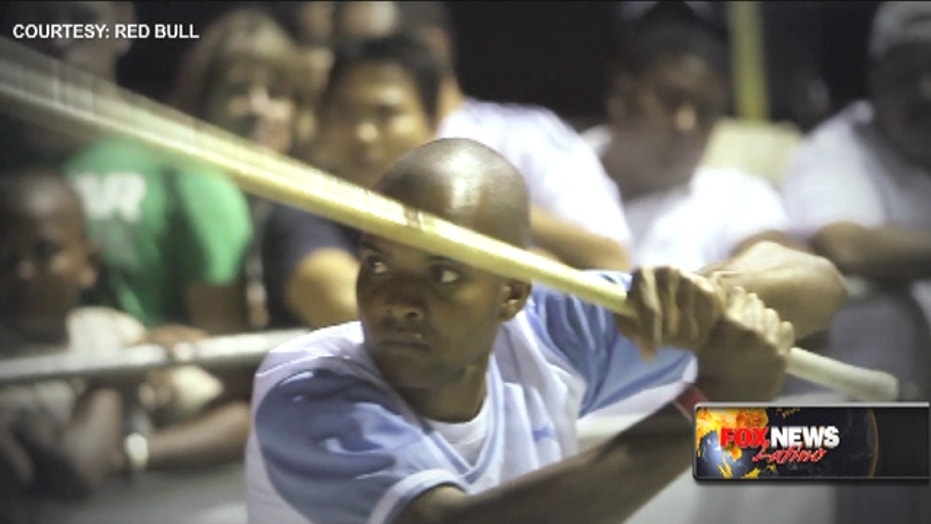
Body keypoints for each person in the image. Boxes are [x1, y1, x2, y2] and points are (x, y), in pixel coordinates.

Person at [245, 137, 848, 524]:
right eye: (376, 263)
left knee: (870, 447)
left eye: (443, 273)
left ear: (512, 292)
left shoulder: (551, 331)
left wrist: (713, 293)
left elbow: (820, 287)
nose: (397, 301)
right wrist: (708, 413)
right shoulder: (306, 388)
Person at [0, 164, 251, 524]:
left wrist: (128, 455)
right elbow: (77, 469)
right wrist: (119, 374)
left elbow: (239, 425)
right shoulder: (9, 364)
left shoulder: (110, 329)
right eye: (5, 258)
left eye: (44, 252)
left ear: (89, 262)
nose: (23, 273)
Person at [5, 1, 255, 339]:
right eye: (38, 19)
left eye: (82, 20)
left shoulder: (183, 166)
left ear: (123, 24)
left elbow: (227, 348)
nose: (59, 37)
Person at [338, 1, 633, 272]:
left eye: (384, 48)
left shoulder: (525, 138)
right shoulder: (333, 153)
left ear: (432, 46)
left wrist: (486, 209)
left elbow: (611, 260)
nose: (360, 63)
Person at [780, 1, 931, 400]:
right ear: (876, 78)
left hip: (917, 412)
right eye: (907, 72)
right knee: (723, 447)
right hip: (837, 415)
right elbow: (844, 244)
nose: (925, 90)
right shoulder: (835, 147)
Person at [261, 34, 442, 329]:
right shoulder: (302, 212)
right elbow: (346, 306)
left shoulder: (458, 212)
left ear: (432, 122)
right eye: (346, 113)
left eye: (385, 114)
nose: (363, 134)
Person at [168, 7, 306, 330]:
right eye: (237, 90)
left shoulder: (313, 207)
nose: (258, 108)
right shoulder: (173, 197)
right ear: (202, 103)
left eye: (276, 92)